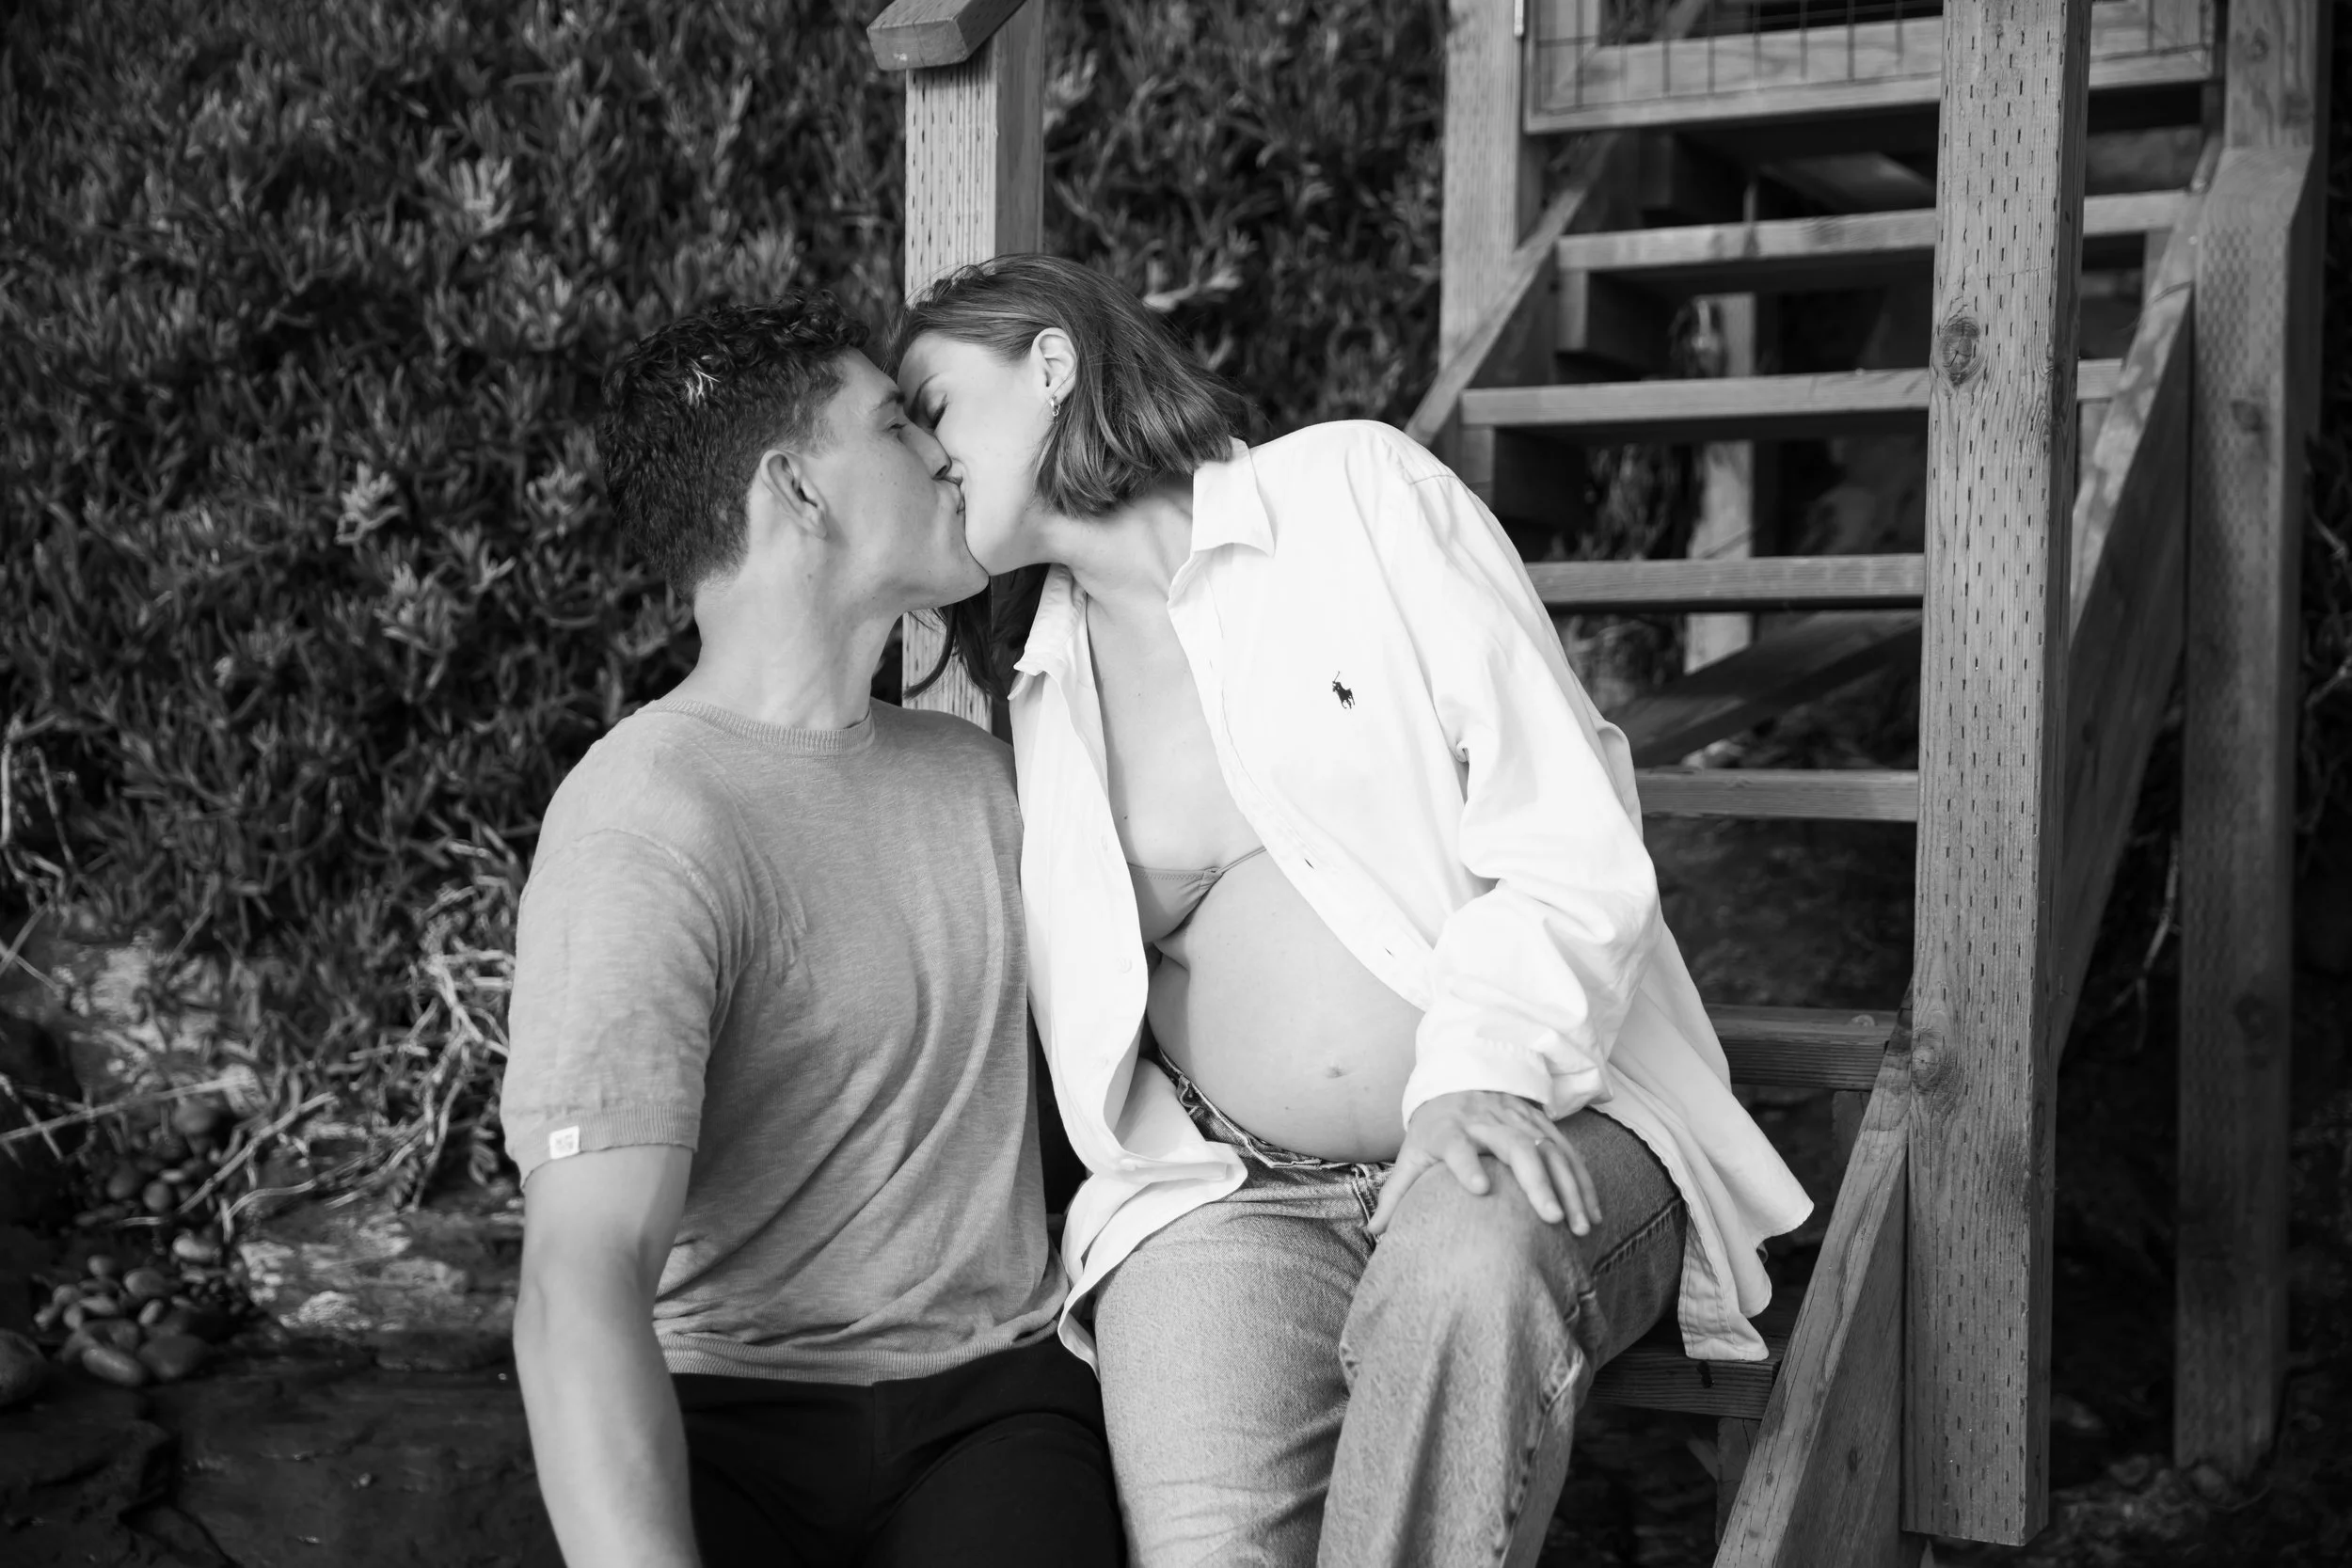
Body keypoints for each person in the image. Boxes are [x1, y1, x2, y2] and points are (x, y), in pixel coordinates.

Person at [893, 256, 1816, 1568]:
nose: (925, 458)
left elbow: (1566, 824)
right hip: (1228, 1189)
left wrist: (1476, 1075)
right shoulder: (1036, 684)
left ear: (1051, 363)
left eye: (933, 407)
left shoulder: (1351, 497)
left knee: (1464, 1269)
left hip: (1539, 1110)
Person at [501, 294, 1122, 1568]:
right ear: (797, 489)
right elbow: (580, 1274)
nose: (946, 453)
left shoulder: (987, 779)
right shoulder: (645, 821)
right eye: (897, 424)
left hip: (994, 1410)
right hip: (730, 1412)